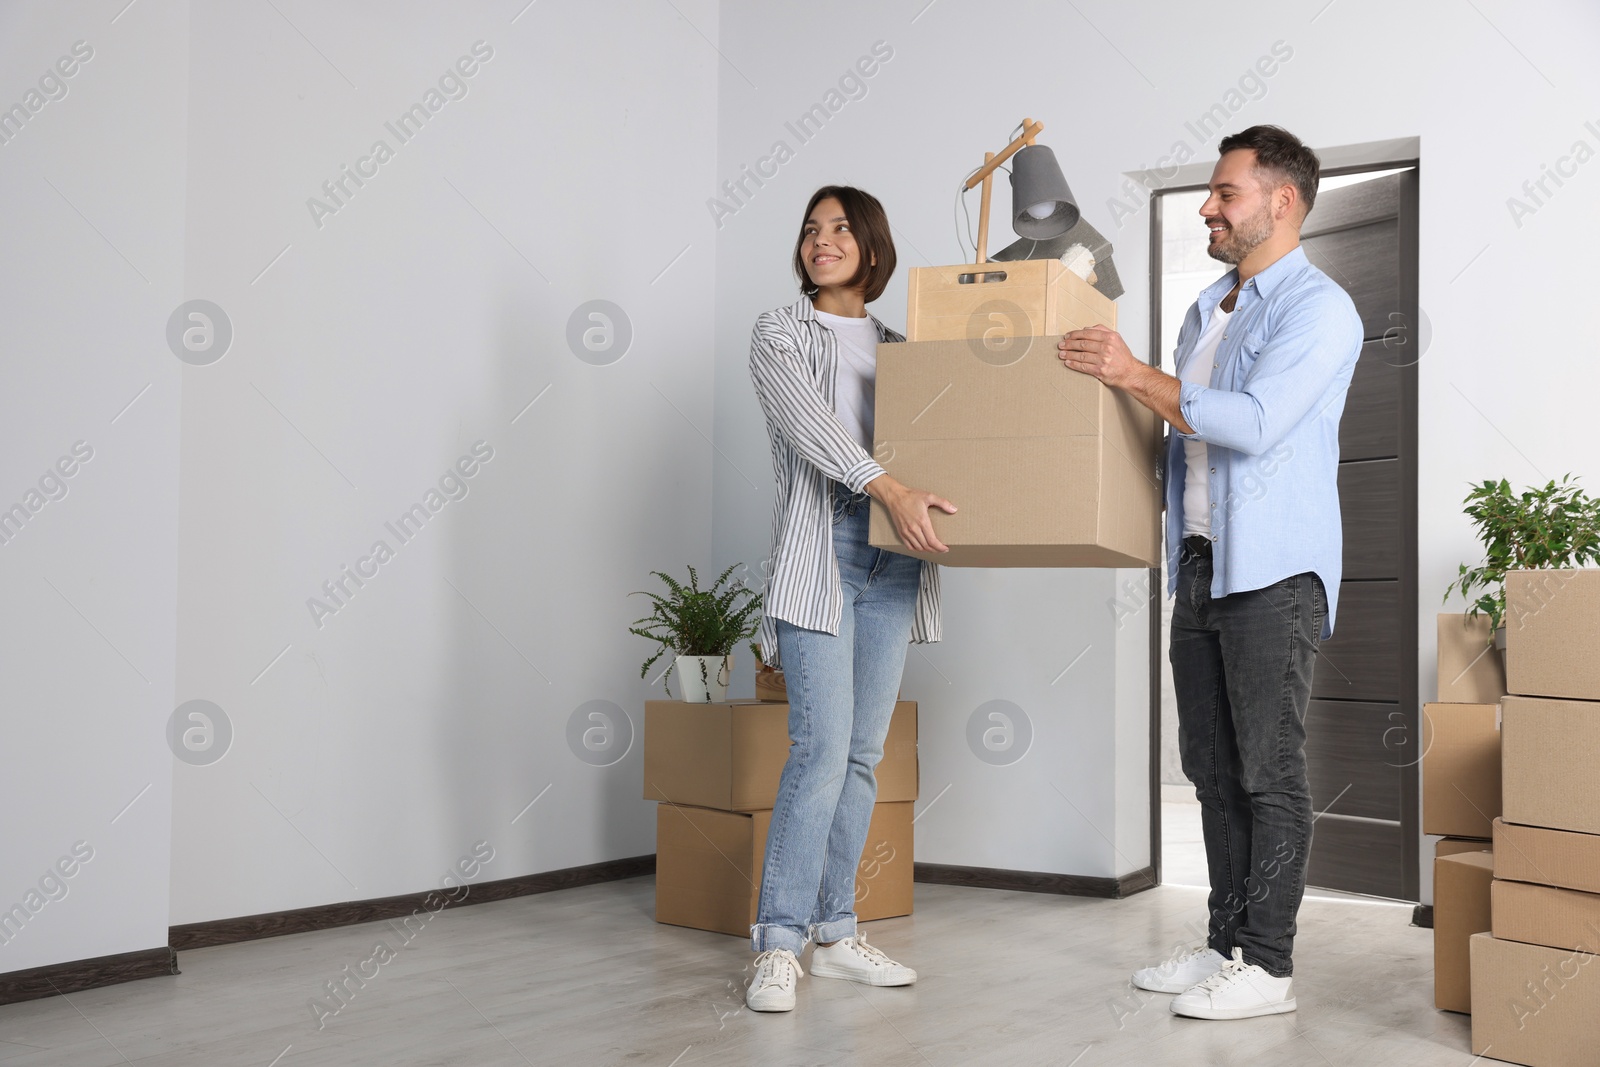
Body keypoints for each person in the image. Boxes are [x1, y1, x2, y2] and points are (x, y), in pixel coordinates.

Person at [1057, 126, 1361, 1020]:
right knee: (1210, 767)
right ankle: (1226, 942)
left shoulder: (1319, 307)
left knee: (1269, 769)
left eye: (1226, 193)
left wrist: (1135, 374)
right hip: (1198, 564)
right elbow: (1175, 431)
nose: (1208, 207)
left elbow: (1257, 420)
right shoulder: (1206, 310)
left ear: (1282, 201)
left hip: (1273, 571)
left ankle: (1268, 967)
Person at [743, 185, 956, 1013]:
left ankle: (836, 930)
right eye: (810, 230)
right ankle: (779, 941)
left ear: (871, 245)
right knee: (820, 749)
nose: (821, 241)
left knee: (864, 753)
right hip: (823, 547)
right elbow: (807, 426)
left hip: (894, 558)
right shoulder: (780, 332)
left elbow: (956, 434)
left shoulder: (906, 348)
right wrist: (888, 485)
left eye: (839, 228)